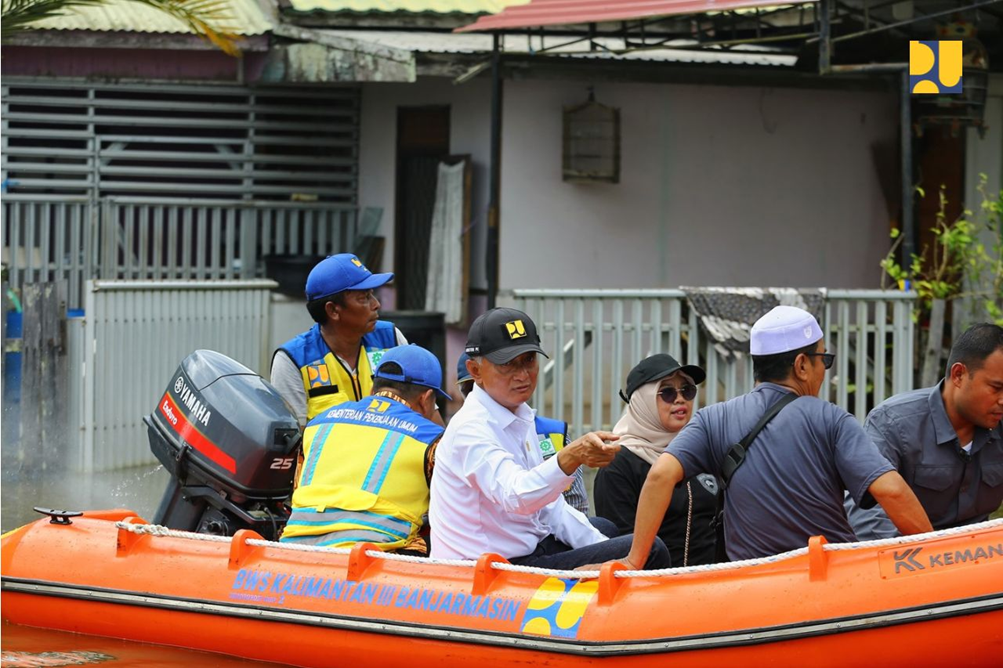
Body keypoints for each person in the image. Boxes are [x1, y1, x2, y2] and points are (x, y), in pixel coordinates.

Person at [616, 305, 932, 565]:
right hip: (830, 581)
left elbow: (659, 476)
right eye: (824, 359)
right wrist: (934, 558)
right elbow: (890, 491)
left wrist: (633, 561)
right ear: (802, 366)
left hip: (753, 587)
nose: (825, 370)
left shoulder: (715, 418)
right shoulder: (830, 418)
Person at [429, 308, 670, 570]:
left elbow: (549, 507)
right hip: (488, 570)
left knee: (606, 530)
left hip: (521, 552)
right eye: (508, 364)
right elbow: (517, 496)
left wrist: (607, 554)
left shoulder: (519, 414)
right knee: (651, 549)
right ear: (475, 370)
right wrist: (570, 456)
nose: (522, 375)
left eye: (528, 360)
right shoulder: (470, 428)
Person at [280, 345, 449, 554]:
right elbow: (450, 510)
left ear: (372, 390)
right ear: (425, 399)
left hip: (294, 548)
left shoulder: (317, 424)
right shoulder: (433, 439)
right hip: (376, 558)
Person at [847, 323, 1003, 540]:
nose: (1002, 400)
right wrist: (928, 558)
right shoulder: (892, 422)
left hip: (977, 558)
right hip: (908, 561)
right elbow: (866, 514)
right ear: (958, 375)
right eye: (996, 388)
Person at [594, 354, 720, 566]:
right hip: (653, 590)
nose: (680, 399)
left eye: (687, 390)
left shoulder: (703, 451)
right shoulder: (617, 464)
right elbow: (619, 546)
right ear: (643, 402)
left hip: (713, 587)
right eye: (667, 392)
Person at [270, 253, 407, 428]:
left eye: (373, 294)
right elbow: (294, 441)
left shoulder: (391, 339)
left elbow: (424, 410)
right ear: (333, 310)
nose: (376, 304)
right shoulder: (294, 360)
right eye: (364, 297)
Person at [455, 352, 591, 515]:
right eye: (470, 391)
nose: (521, 376)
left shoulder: (552, 432)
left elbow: (573, 507)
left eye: (529, 360)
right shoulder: (466, 436)